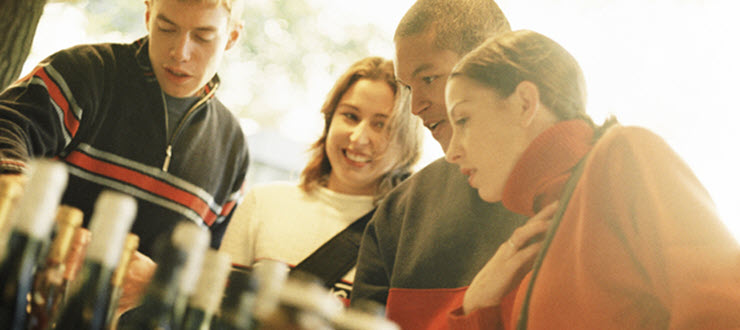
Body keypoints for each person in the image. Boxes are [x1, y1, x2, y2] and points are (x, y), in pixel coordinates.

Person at [444, 29, 740, 329]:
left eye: (463, 120)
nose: (451, 152)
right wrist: (476, 307)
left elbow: (724, 307)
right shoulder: (530, 262)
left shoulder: (624, 157)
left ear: (524, 103)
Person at [0, 0, 249, 314]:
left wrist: (158, 282)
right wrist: (27, 204)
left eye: (203, 36)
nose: (180, 52)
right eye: (166, 28)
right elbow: (7, 126)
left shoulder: (233, 149)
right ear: (148, 16)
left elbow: (209, 270)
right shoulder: (84, 72)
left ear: (232, 38)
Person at [350, 1, 549, 329]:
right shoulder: (399, 213)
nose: (415, 107)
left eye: (429, 78)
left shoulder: (586, 195)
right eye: (408, 88)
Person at [220, 56, 423, 304]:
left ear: (408, 143)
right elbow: (219, 309)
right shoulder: (263, 204)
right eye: (350, 116)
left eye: (381, 124)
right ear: (329, 120)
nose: (358, 137)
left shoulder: (405, 241)